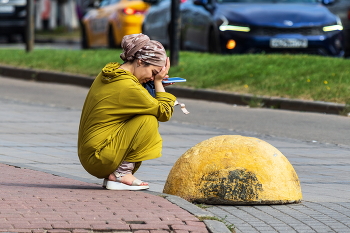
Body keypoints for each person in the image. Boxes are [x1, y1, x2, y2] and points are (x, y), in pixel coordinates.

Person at [77, 33, 176, 191]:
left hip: (93, 154)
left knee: (145, 114)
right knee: (148, 120)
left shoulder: (112, 74)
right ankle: (121, 174)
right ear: (140, 61)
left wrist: (153, 83)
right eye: (154, 72)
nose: (153, 77)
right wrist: (158, 84)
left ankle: (116, 175)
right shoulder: (127, 86)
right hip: (99, 158)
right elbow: (164, 112)